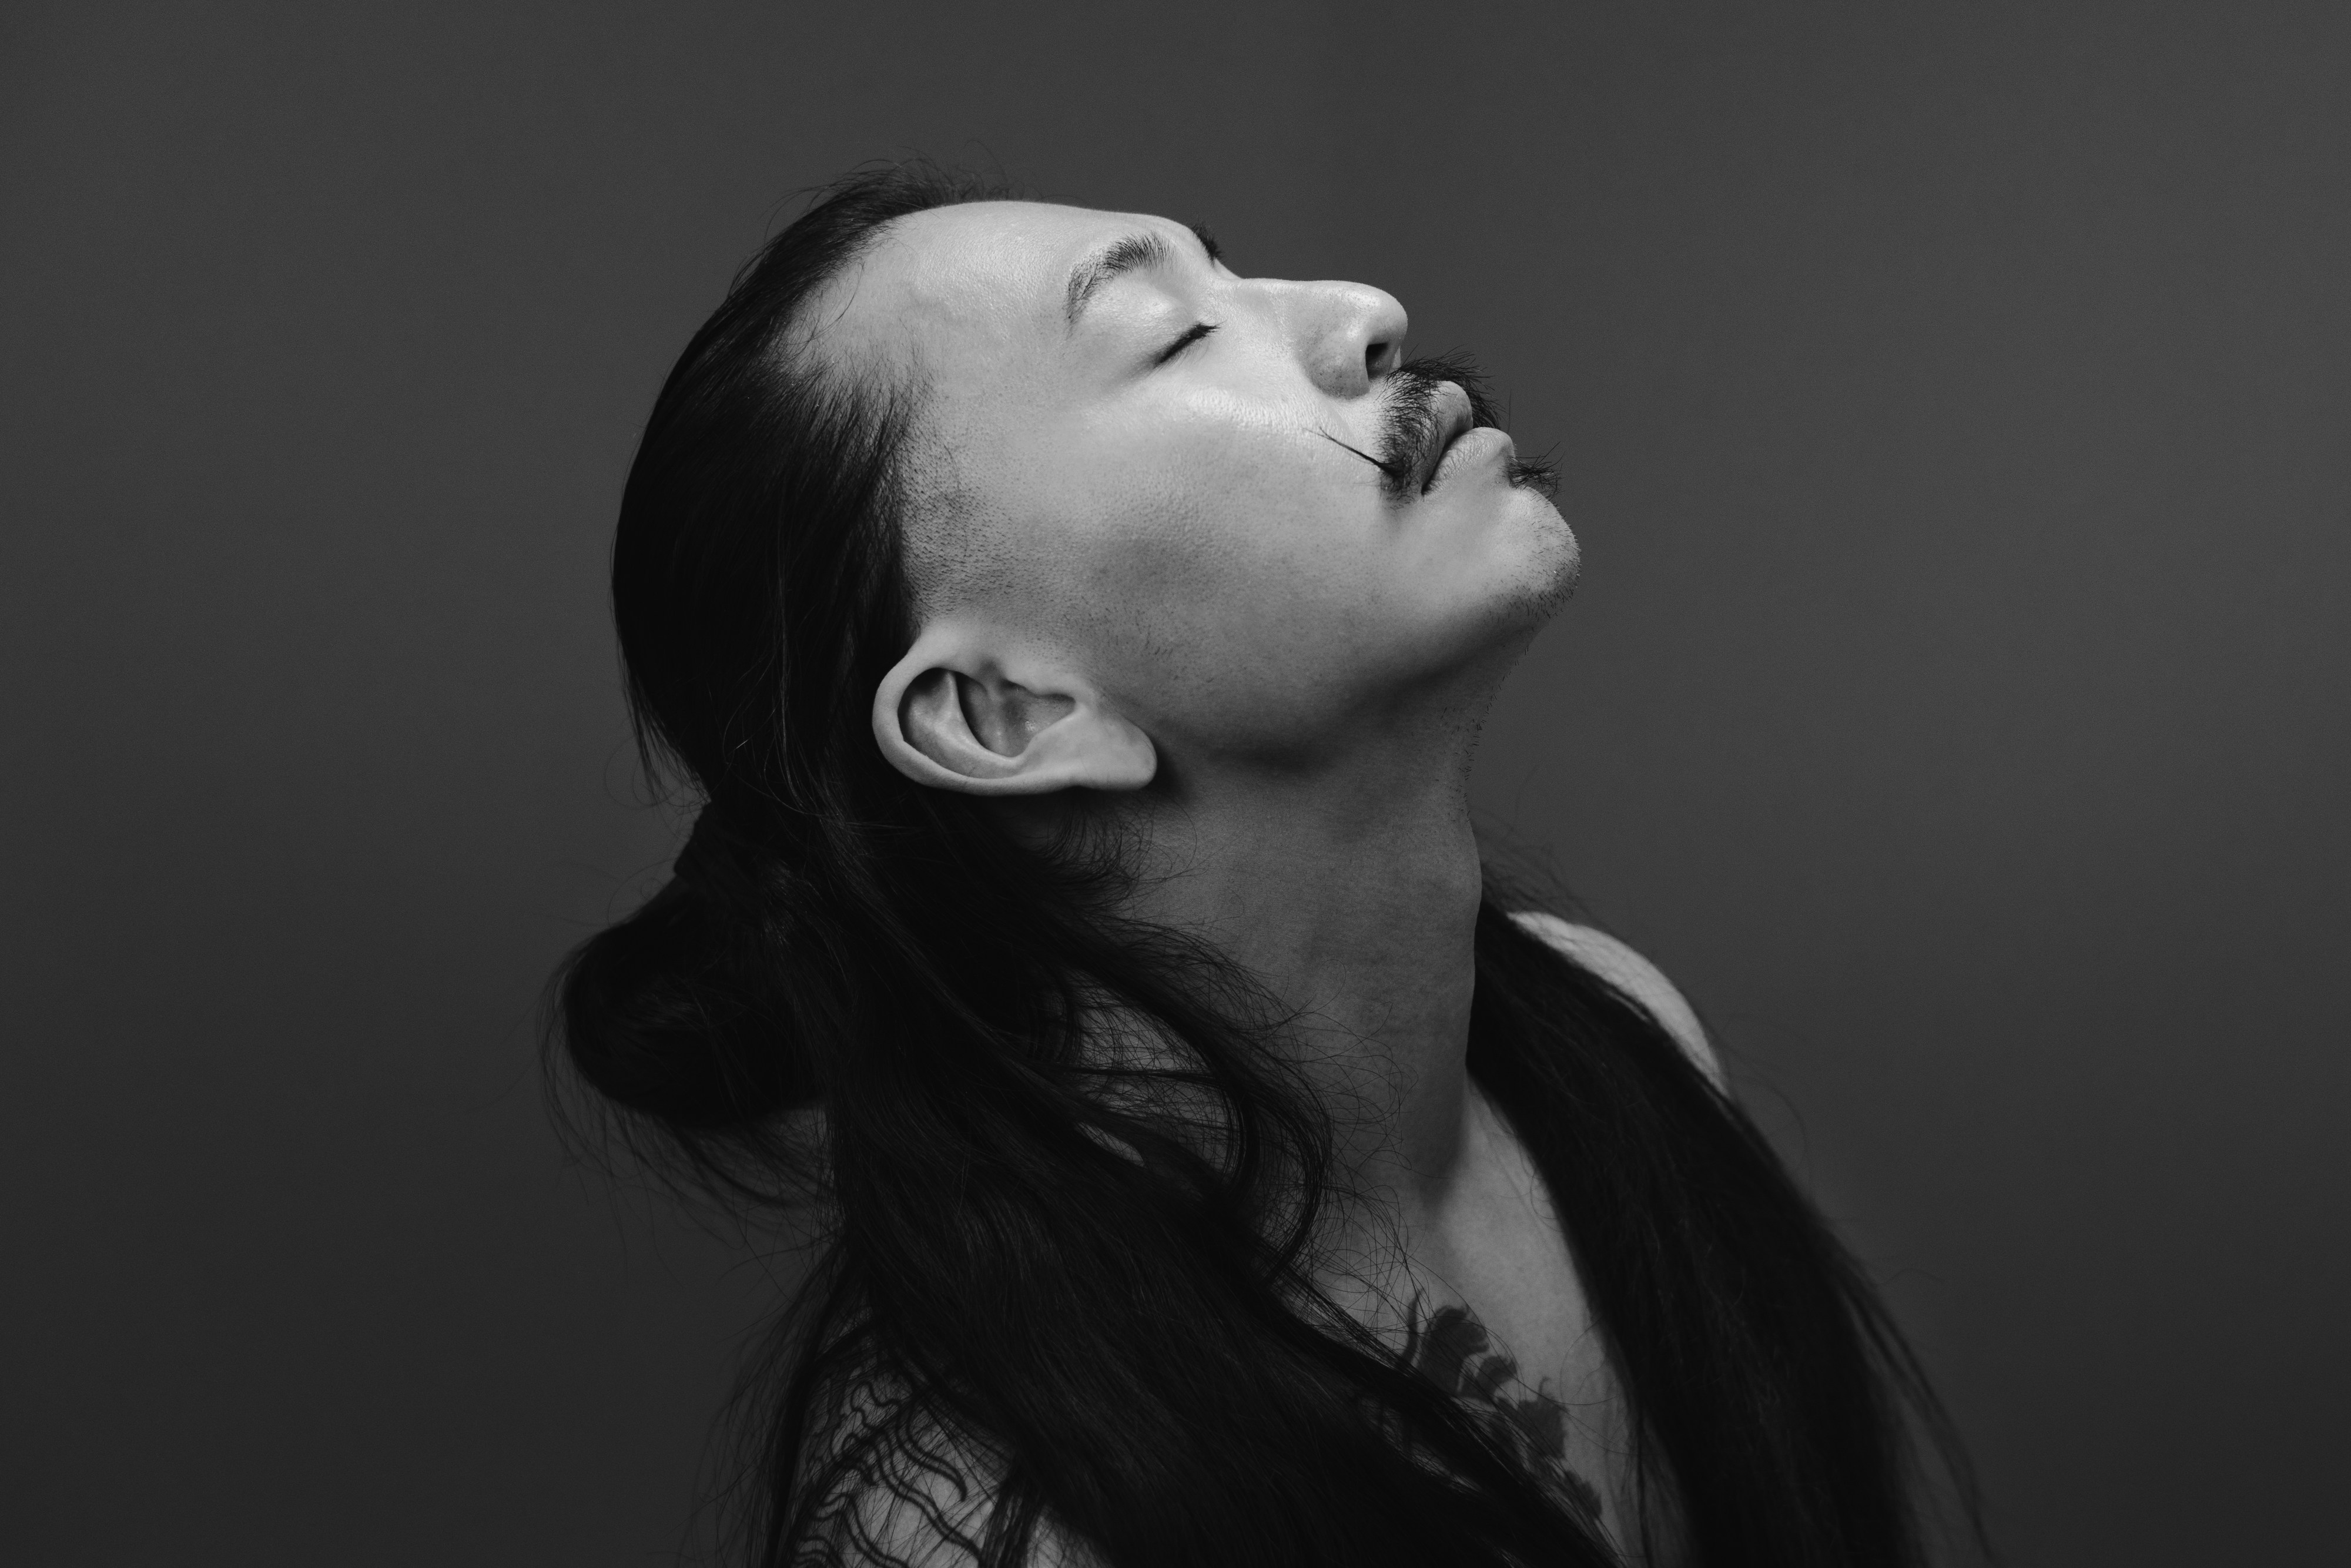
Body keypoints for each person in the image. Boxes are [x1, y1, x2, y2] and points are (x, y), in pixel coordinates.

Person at [552, 165, 1969, 1568]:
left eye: (1227, 274)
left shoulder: (1624, 1038)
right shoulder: (991, 1532)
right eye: (1170, 333)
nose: (1365, 313)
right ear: (1011, 712)